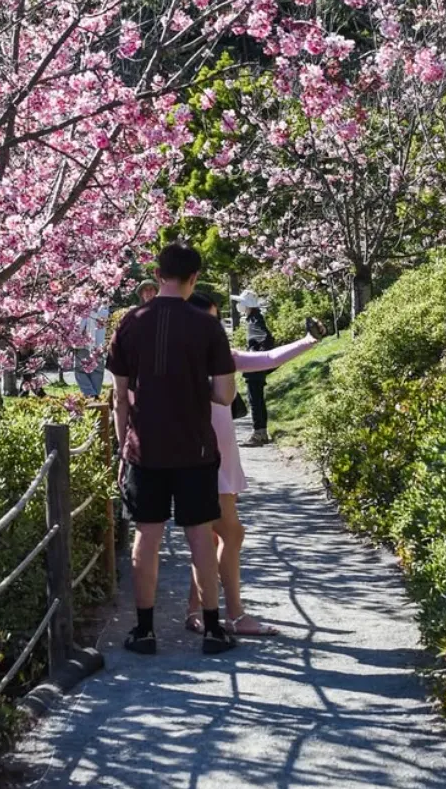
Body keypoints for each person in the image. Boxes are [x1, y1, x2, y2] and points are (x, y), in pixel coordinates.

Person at [107, 242, 238, 656]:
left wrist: (122, 447)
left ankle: (144, 630)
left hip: (144, 448)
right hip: (195, 448)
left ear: (158, 274)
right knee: (200, 535)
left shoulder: (130, 322)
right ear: (194, 278)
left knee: (147, 535)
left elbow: (118, 395)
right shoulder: (207, 326)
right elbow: (225, 395)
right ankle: (214, 630)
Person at [185, 292, 321, 637]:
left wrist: (308, 340)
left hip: (223, 459)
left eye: (216, 320)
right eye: (208, 320)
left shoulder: (221, 358)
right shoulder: (184, 362)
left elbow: (268, 357)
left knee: (214, 537)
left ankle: (199, 610)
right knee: (227, 533)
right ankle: (231, 614)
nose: (215, 327)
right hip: (202, 458)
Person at [233, 288, 274, 445]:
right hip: (256, 366)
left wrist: (255, 354)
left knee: (255, 400)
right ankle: (261, 432)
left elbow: (265, 338)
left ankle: (259, 434)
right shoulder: (254, 318)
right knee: (257, 399)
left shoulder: (255, 320)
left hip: (255, 367)